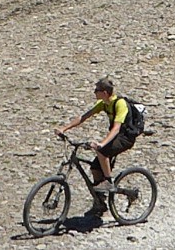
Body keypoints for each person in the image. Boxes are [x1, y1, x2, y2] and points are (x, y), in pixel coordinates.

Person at [55, 77, 136, 215]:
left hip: (126, 137)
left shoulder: (120, 104)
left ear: (104, 92)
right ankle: (100, 202)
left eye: (96, 90)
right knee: (94, 168)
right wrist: (64, 128)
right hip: (116, 136)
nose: (94, 92)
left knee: (102, 152)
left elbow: (116, 128)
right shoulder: (103, 103)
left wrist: (102, 144)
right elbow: (84, 117)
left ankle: (109, 182)